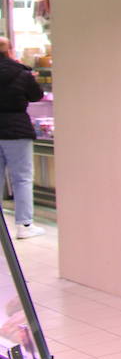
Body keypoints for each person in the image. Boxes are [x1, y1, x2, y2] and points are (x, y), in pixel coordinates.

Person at [0, 38, 44, 240]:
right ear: (9, 50)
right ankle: (24, 225)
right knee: (22, 178)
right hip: (17, 130)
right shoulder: (21, 72)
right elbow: (36, 96)